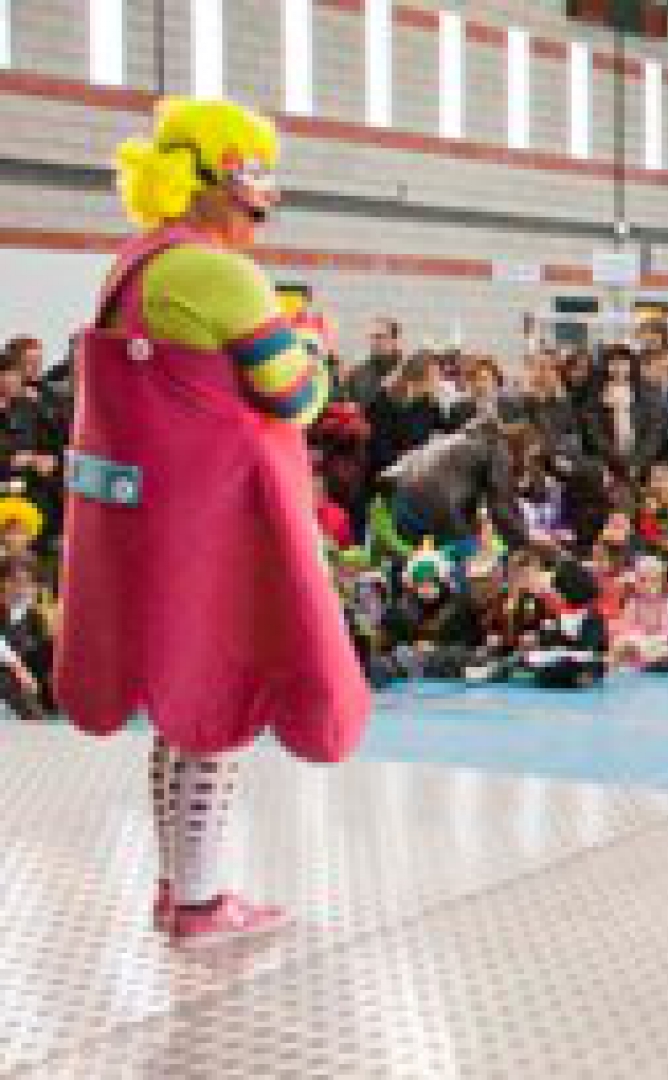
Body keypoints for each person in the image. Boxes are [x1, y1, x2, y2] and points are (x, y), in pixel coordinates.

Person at [57, 98, 368, 944]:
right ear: (209, 178)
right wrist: (311, 338)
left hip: (156, 516)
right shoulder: (220, 275)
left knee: (185, 704)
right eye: (251, 172)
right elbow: (296, 396)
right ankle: (199, 901)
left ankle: (181, 888)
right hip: (218, 518)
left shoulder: (135, 264)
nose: (264, 194)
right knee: (218, 703)